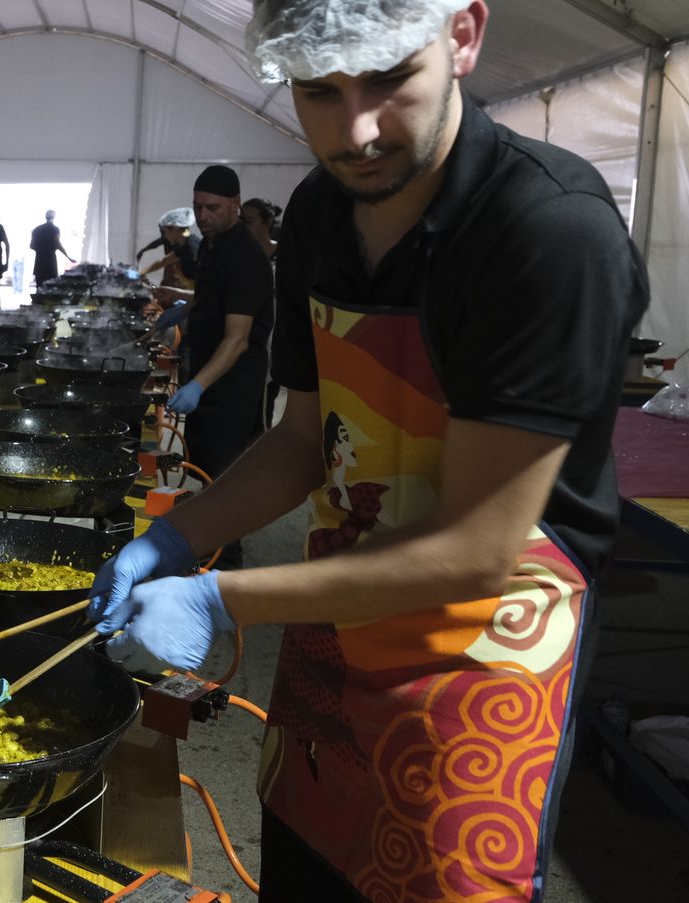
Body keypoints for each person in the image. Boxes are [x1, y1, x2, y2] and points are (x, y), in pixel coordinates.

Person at [92, 2, 647, 901]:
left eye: (389, 79)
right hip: (336, 619)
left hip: (482, 656)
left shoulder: (545, 231)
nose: (356, 131)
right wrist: (176, 535)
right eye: (319, 90)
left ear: (463, 36)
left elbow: (474, 550)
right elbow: (303, 441)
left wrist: (221, 597)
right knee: (307, 867)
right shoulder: (320, 214)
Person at [164, 165, 273, 569]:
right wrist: (184, 308)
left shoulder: (245, 255)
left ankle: (226, 561)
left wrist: (198, 385)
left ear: (235, 205)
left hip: (233, 380)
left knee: (227, 472)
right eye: (198, 207)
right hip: (209, 370)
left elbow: (238, 339)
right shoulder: (212, 245)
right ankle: (209, 544)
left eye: (213, 207)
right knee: (206, 463)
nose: (203, 216)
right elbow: (213, 300)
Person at [242, 197, 284, 430]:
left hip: (272, 344)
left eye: (248, 221)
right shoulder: (243, 256)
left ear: (267, 222)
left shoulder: (285, 256)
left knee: (262, 413)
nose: (243, 227)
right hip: (244, 343)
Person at [136, 207, 201, 290]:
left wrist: (176, 293)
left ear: (175, 228)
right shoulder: (185, 246)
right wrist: (140, 273)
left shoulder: (193, 249)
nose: (165, 236)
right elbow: (164, 261)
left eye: (165, 231)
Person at [29, 210, 74, 286]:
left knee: (39, 286)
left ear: (45, 217)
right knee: (50, 286)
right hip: (50, 262)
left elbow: (31, 246)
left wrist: (40, 249)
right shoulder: (55, 229)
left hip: (39, 261)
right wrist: (68, 257)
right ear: (54, 217)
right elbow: (58, 244)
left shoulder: (37, 229)